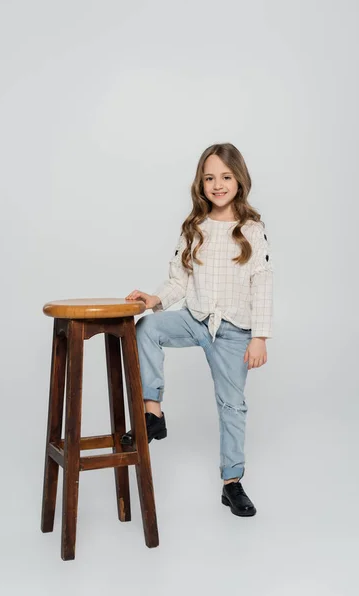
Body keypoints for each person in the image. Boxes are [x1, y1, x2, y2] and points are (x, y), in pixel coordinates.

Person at [121, 142, 273, 517]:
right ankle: (153, 413)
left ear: (239, 180)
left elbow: (263, 283)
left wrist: (259, 336)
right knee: (147, 329)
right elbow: (180, 282)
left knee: (232, 405)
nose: (217, 184)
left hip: (235, 330)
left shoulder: (251, 230)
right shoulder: (194, 228)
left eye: (225, 177)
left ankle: (232, 482)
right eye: (209, 178)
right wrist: (151, 300)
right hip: (196, 319)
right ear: (200, 183)